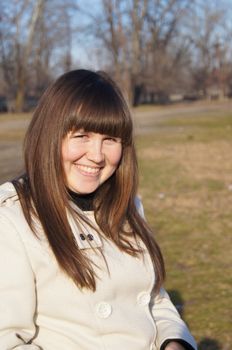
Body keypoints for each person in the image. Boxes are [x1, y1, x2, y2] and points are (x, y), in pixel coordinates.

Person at [0, 69, 197, 350]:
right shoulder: (12, 219)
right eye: (81, 135)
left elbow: (151, 298)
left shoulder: (127, 206)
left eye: (110, 139)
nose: (96, 155)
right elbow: (7, 341)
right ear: (49, 136)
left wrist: (173, 341)